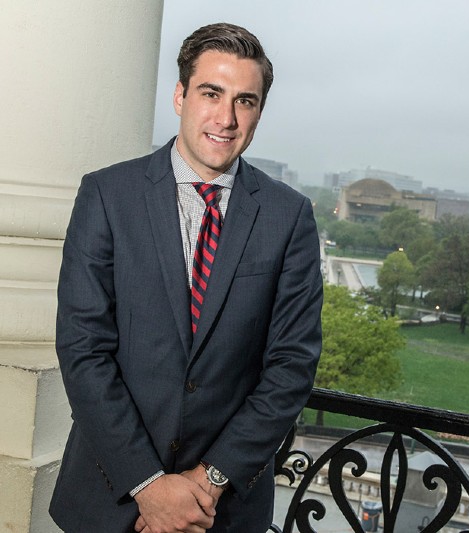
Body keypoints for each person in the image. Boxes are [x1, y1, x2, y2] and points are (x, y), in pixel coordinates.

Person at [49, 23, 323, 532]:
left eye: (245, 101)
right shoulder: (107, 196)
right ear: (180, 95)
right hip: (110, 502)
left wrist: (205, 486)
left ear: (260, 111)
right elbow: (83, 348)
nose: (226, 118)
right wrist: (149, 487)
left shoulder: (290, 217)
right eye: (211, 93)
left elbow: (291, 366)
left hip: (220, 512)